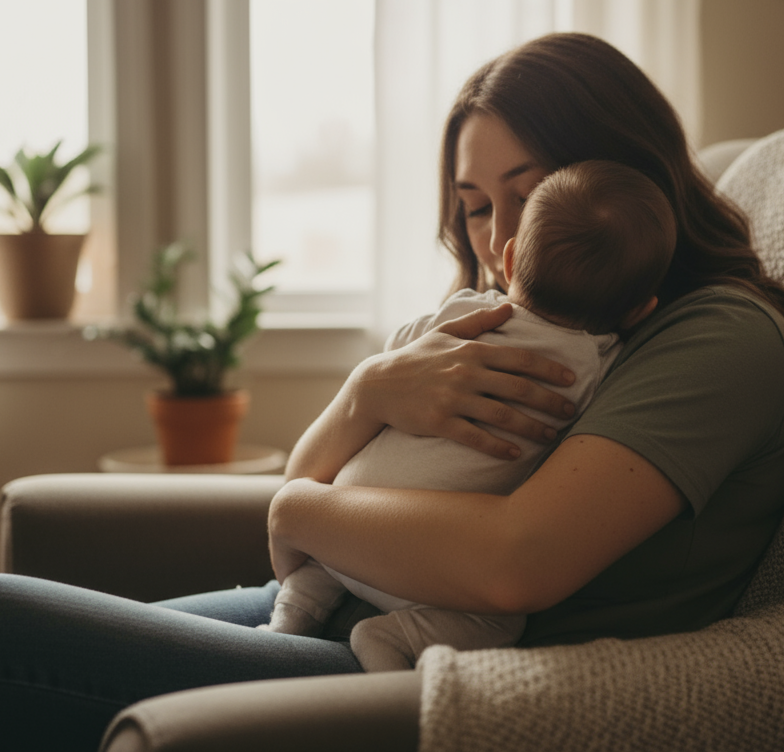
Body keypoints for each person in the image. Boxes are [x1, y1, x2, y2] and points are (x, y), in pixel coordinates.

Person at [0, 32, 784, 751]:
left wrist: (304, 506)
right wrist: (372, 391)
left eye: (531, 189)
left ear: (619, 172)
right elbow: (302, 515)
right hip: (338, 608)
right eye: (474, 207)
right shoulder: (515, 319)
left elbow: (516, 563)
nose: (500, 234)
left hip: (423, 662)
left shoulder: (716, 335)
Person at [263, 160, 677, 672]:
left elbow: (400, 352)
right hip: (424, 580)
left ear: (509, 256)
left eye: (518, 200)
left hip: (343, 533)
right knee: (500, 626)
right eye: (476, 206)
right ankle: (388, 639)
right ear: (641, 311)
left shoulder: (464, 312)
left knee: (316, 574)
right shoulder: (599, 367)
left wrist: (378, 378)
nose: (493, 226)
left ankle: (293, 614)